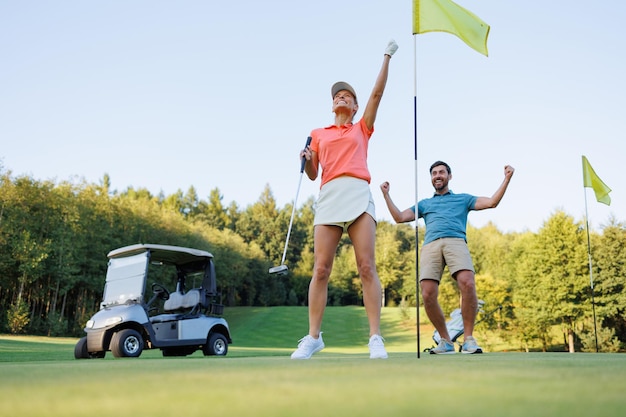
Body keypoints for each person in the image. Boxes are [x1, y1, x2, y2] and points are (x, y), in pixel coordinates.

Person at [290, 40, 399, 360]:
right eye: (338, 95)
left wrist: (387, 57)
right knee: (321, 269)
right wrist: (308, 157)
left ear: (354, 108)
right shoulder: (318, 133)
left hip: (357, 192)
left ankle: (375, 337)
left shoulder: (361, 128)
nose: (342, 97)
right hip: (329, 196)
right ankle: (313, 337)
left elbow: (377, 94)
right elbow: (312, 174)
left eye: (348, 96)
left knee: (366, 266)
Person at [380, 161, 514, 354]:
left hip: (456, 241)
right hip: (431, 245)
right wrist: (386, 195)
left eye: (442, 172)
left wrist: (506, 179)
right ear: (431, 178)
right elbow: (399, 217)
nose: (438, 175)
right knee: (427, 293)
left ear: (449, 176)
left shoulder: (463, 199)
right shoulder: (425, 204)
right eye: (434, 173)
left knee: (467, 282)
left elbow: (492, 202)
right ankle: (446, 340)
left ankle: (468, 339)